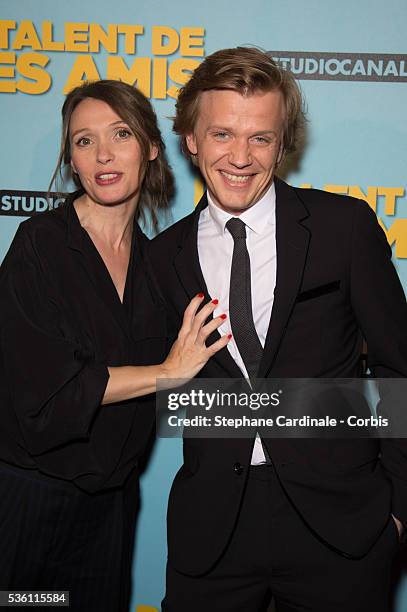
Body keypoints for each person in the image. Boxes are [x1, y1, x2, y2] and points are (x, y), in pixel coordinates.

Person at [148, 47, 407, 611]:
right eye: (221, 134)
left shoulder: (344, 228)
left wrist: (398, 511)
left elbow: (399, 366)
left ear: (282, 145)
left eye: (260, 138)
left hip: (341, 524)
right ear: (190, 138)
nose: (240, 157)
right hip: (212, 529)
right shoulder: (162, 258)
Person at [0, 79, 229, 611]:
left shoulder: (160, 265)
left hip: (110, 512)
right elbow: (54, 390)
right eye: (83, 141)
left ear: (150, 148)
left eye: (120, 134)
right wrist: (168, 369)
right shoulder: (41, 245)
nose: (102, 154)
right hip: (29, 502)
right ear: (72, 160)